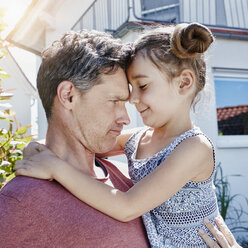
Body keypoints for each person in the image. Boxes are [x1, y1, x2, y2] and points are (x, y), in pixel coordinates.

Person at [15, 23, 222, 247]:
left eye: (142, 86)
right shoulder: (140, 140)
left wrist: (54, 167)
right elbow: (88, 143)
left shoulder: (195, 148)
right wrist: (38, 147)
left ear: (184, 83)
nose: (132, 100)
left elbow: (127, 207)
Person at [0, 29, 150, 247]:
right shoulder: (20, 206)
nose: (125, 118)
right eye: (114, 101)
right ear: (68, 96)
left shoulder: (132, 181)